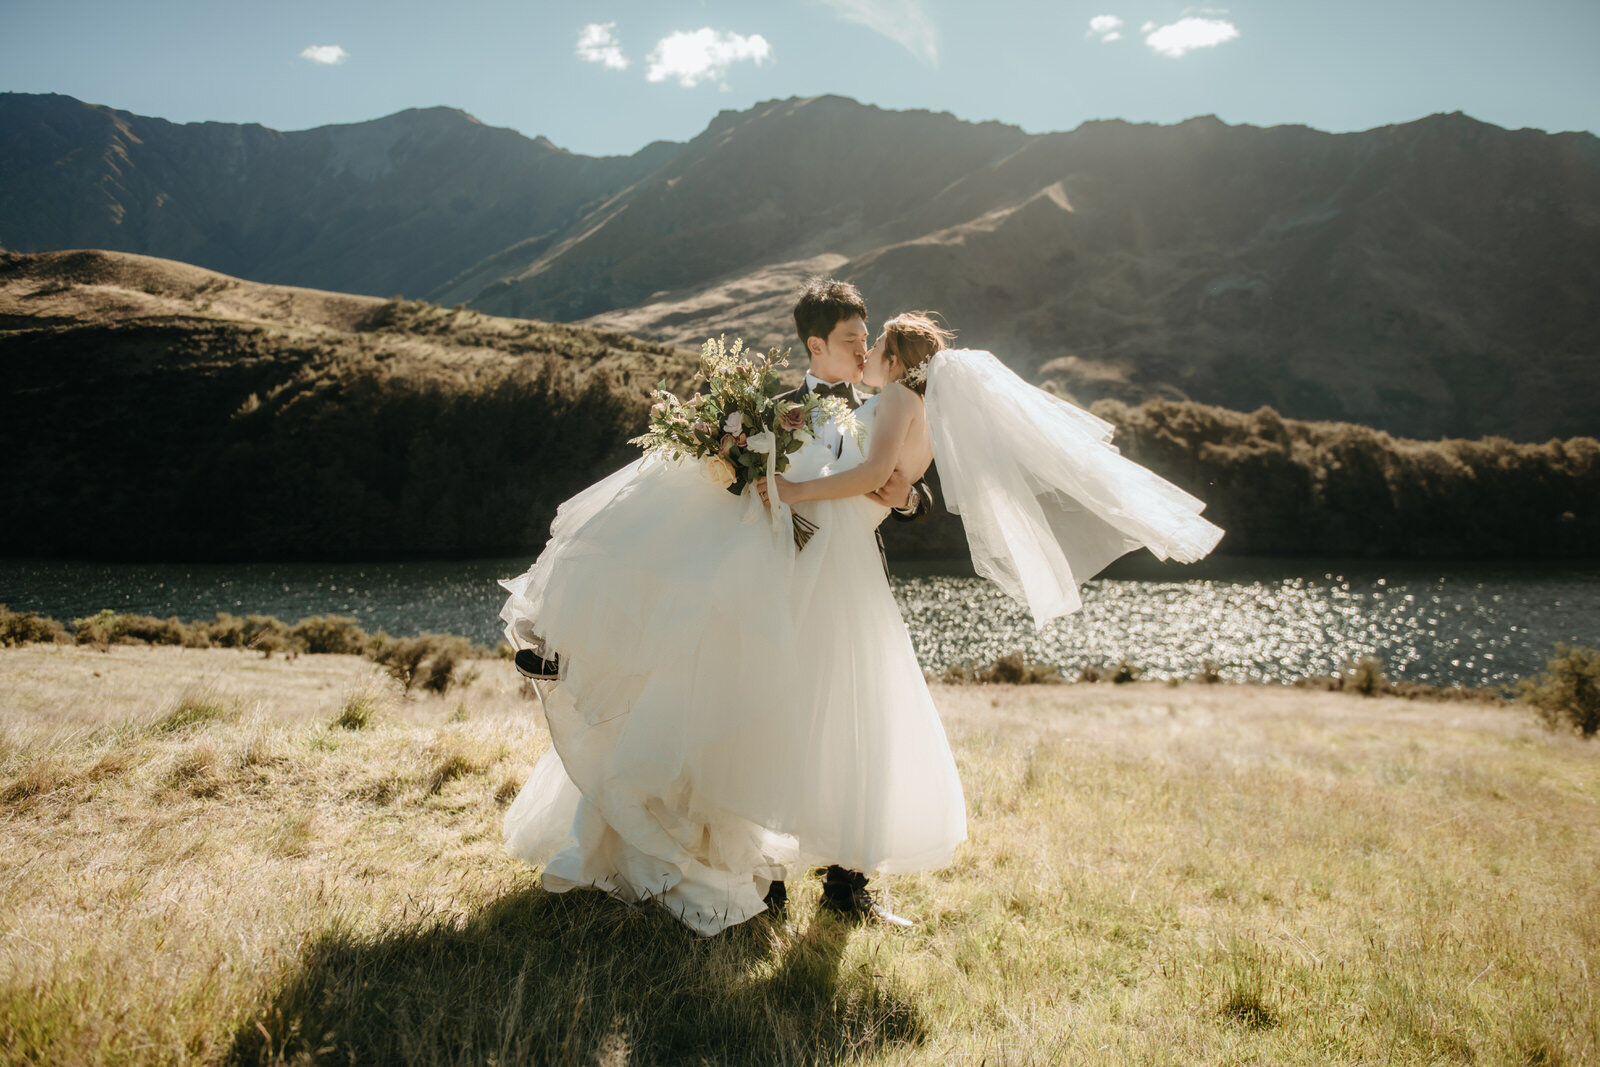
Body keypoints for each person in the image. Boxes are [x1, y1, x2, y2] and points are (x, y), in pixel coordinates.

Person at [495, 279, 939, 935]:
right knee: (759, 721)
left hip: (846, 585)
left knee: (845, 720)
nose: (864, 348)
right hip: (769, 589)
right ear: (815, 345)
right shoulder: (768, 414)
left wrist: (907, 500)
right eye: (851, 339)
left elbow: (910, 485)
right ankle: (764, 877)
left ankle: (848, 886)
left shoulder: (883, 403)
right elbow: (715, 505)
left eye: (866, 337)